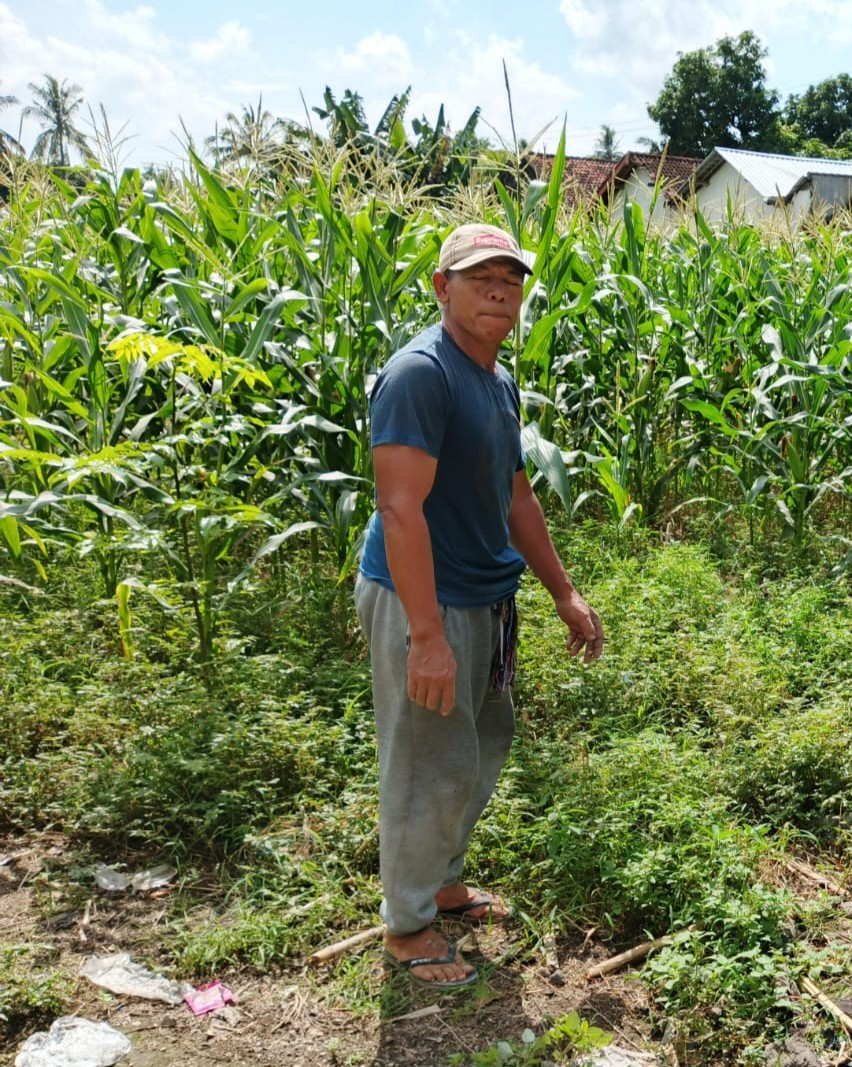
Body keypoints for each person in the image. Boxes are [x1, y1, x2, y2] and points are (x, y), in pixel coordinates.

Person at [354, 222, 604, 988]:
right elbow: (401, 511)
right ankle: (407, 928)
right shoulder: (420, 374)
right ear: (442, 287)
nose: (500, 290)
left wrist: (562, 590)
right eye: (479, 277)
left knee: (479, 748)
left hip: (485, 601)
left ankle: (442, 883)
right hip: (425, 601)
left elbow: (515, 491)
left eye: (511, 279)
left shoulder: (493, 379)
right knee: (429, 762)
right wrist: (425, 636)